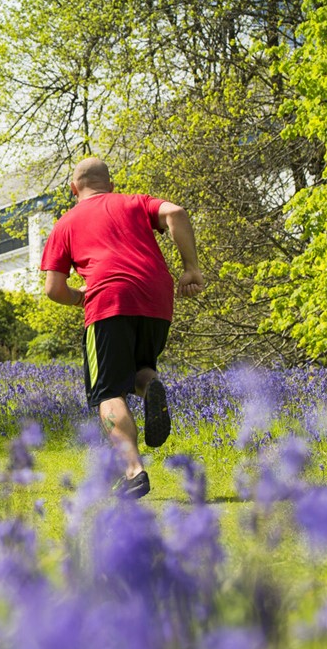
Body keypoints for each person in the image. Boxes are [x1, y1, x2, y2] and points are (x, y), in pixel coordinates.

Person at [40, 157, 204, 499]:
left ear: (74, 189)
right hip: (157, 299)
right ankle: (152, 386)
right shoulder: (136, 203)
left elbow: (53, 289)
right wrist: (190, 269)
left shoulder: (65, 224)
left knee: (108, 392)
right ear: (110, 185)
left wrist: (79, 298)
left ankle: (133, 472)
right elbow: (175, 213)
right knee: (138, 370)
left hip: (109, 302)